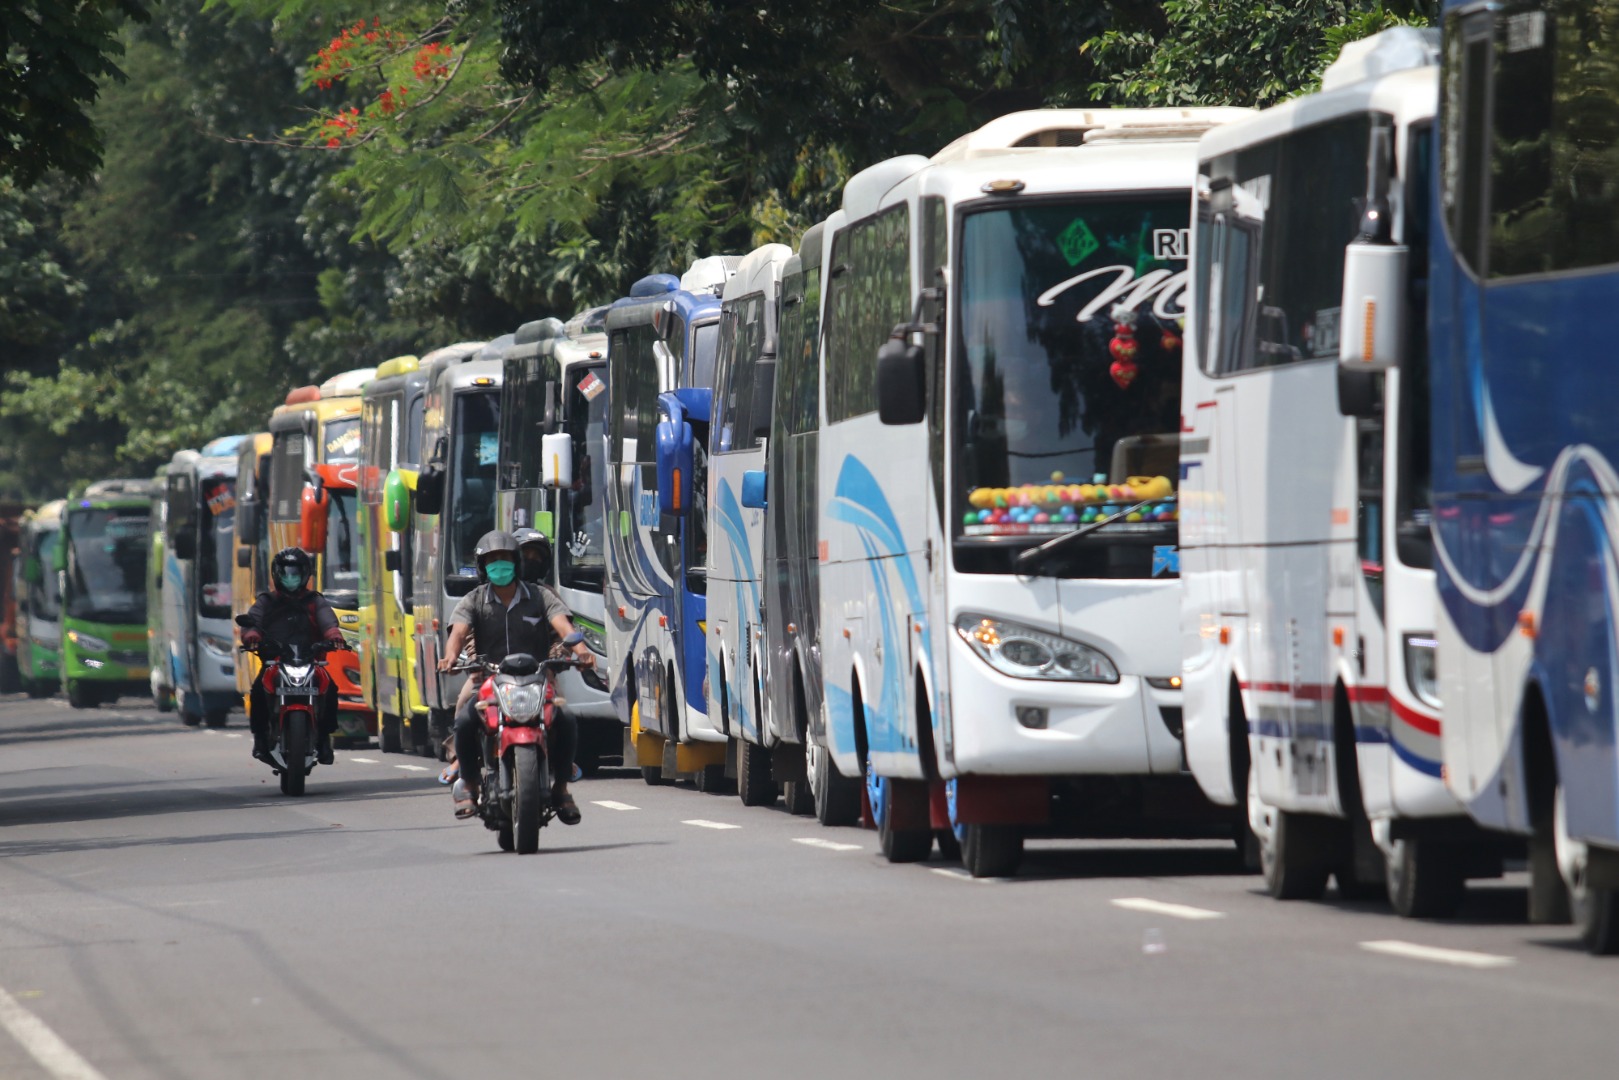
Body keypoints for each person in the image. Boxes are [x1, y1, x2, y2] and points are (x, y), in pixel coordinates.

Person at [438, 529, 594, 824]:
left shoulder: (541, 596)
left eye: (506, 559)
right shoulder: (474, 600)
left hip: (535, 680)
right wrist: (449, 657)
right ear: (483, 567)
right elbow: (458, 632)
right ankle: (469, 783)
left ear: (517, 563)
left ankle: (561, 789)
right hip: (489, 680)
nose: (500, 566)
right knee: (464, 721)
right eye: (493, 561)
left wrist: (582, 650)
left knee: (567, 721)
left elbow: (564, 628)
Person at [240, 547, 345, 765]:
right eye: (285, 573)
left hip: (309, 660)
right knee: (258, 692)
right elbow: (253, 621)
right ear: (276, 574)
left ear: (305, 574)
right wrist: (251, 636)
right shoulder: (266, 601)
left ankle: (324, 739)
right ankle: (260, 741)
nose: (290, 578)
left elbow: (328, 622)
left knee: (331, 689)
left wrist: (334, 636)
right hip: (275, 662)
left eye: (295, 573)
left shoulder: (315, 601)